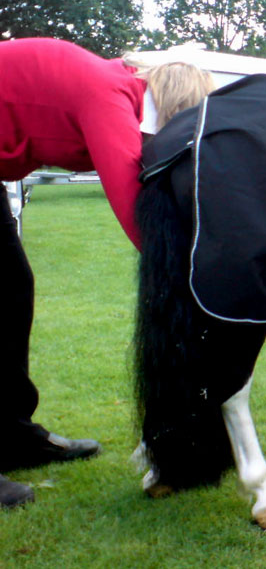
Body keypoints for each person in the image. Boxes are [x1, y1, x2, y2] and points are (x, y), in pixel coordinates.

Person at [0, 38, 214, 508]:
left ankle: (11, 436)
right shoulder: (108, 97)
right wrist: (198, 278)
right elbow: (136, 210)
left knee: (10, 290)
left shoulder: (123, 90)